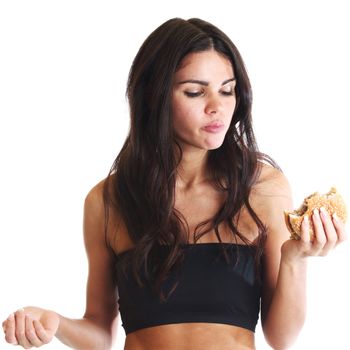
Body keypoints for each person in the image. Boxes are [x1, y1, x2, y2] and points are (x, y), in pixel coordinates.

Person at [2, 17, 346, 350]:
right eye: (195, 92)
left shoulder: (262, 189)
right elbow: (100, 335)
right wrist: (53, 323)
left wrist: (294, 259)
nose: (217, 107)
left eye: (227, 91)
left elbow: (282, 338)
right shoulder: (108, 201)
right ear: (154, 97)